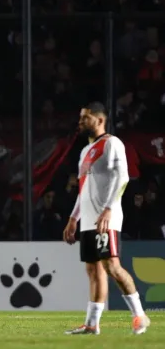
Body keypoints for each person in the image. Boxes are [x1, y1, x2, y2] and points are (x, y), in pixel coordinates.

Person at [63, 102, 150, 335]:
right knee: (93, 271)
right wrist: (73, 219)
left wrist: (109, 209)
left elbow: (123, 177)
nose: (80, 122)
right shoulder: (84, 151)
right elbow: (84, 190)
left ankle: (140, 316)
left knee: (112, 266)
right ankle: (92, 325)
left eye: (85, 117)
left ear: (99, 120)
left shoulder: (112, 143)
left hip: (107, 219)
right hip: (89, 220)